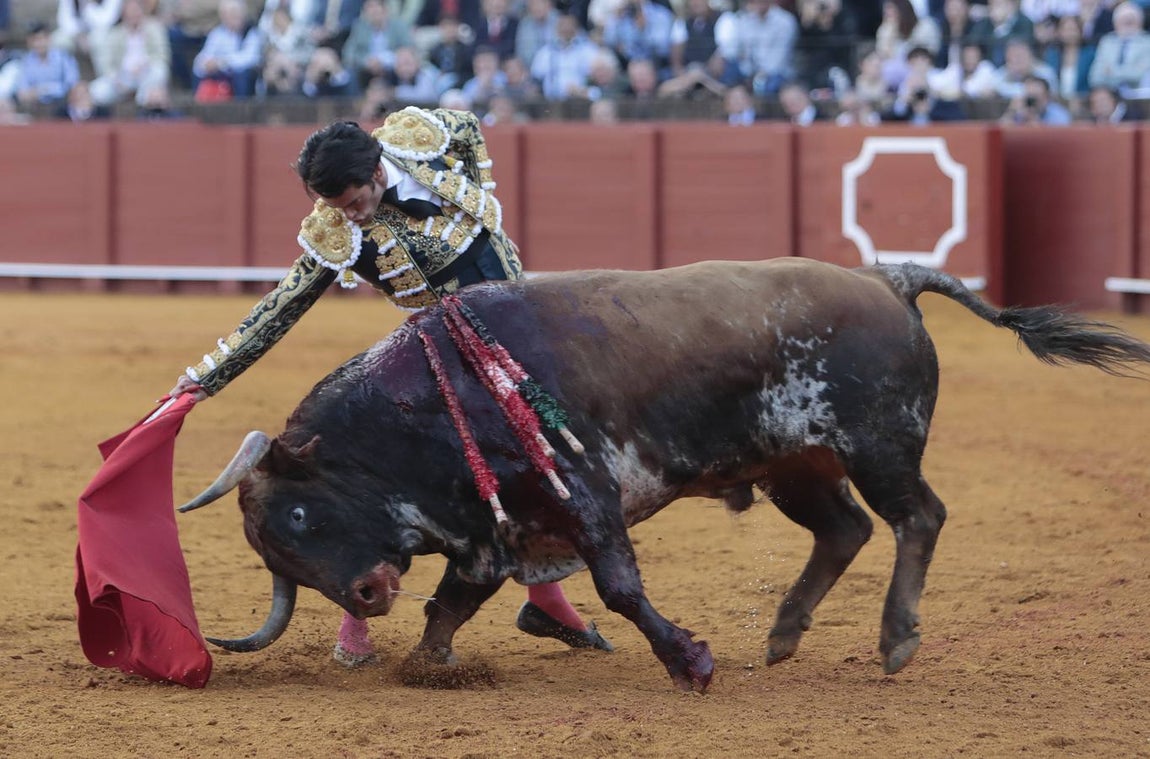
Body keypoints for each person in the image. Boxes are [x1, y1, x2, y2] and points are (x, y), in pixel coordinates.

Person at [168, 108, 614, 666]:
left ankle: (546, 602)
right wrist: (205, 378)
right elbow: (280, 308)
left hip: (519, 332)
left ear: (378, 171)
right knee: (409, 483)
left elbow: (468, 127)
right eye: (338, 207)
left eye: (355, 201)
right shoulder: (336, 232)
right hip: (442, 355)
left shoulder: (417, 139)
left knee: (543, 461)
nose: (350, 215)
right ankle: (356, 622)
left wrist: (482, 192)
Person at [1000, 72, 1073, 123]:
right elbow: (999, 132)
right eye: (1029, 97)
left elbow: (1059, 137)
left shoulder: (1058, 114)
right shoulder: (1019, 112)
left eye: (1035, 97)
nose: (1031, 102)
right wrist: (1011, 112)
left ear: (1047, 98)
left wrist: (1033, 120)